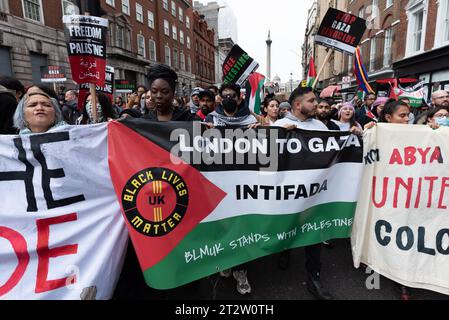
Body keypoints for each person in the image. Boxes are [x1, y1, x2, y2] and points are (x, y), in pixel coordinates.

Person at [273, 84, 333, 300]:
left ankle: (314, 278)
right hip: (288, 193)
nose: (316, 104)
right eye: (311, 101)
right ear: (298, 105)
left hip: (313, 192)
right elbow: (267, 161)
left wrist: (352, 134)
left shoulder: (320, 125)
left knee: (313, 232)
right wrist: (279, 134)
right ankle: (285, 249)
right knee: (289, 226)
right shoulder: (280, 124)